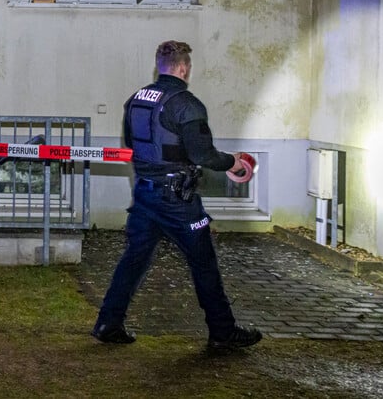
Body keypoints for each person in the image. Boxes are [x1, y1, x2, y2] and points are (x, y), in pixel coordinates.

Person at [91, 40, 262, 349]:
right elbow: (203, 155)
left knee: (133, 260)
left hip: (144, 195)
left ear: (159, 66)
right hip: (178, 201)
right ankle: (223, 332)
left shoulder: (136, 100)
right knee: (204, 263)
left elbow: (132, 143)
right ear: (184, 68)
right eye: (189, 68)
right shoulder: (187, 104)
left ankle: (108, 322)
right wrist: (233, 162)